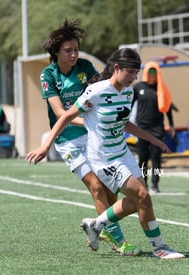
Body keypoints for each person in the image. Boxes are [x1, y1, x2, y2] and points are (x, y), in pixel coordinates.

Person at [26, 48, 185, 259]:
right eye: (130, 72)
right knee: (142, 195)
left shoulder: (128, 92)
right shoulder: (96, 92)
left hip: (123, 153)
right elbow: (64, 117)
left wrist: (153, 139)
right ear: (116, 68)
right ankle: (159, 247)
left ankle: (95, 225)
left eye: (136, 73)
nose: (134, 77)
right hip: (103, 158)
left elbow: (124, 122)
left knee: (142, 200)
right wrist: (46, 146)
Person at [39, 19, 140, 256]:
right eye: (68, 50)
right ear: (56, 52)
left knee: (109, 189)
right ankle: (120, 241)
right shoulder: (49, 75)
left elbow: (101, 90)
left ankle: (99, 226)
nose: (74, 54)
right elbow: (61, 114)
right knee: (96, 187)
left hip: (93, 137)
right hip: (67, 139)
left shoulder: (85, 67)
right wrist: (88, 122)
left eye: (76, 49)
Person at [132, 61, 175, 193]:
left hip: (157, 128)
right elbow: (129, 105)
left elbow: (167, 108)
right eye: (150, 72)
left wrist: (171, 125)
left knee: (156, 158)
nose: (152, 75)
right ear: (145, 73)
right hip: (141, 128)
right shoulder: (138, 87)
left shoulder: (161, 88)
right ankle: (143, 184)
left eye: (154, 72)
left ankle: (155, 185)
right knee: (143, 157)